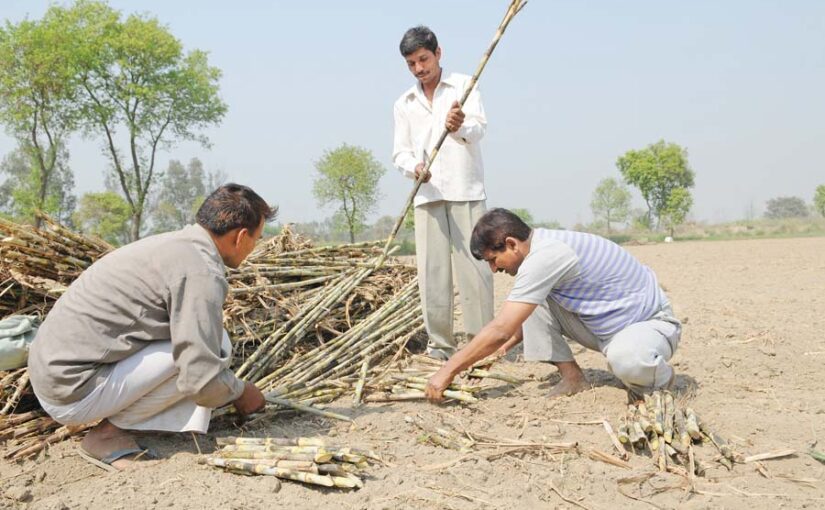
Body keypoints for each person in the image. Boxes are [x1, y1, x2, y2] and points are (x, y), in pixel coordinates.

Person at [28, 184, 277, 470]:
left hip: (49, 373)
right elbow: (200, 378)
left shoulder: (176, 245)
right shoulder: (201, 272)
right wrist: (240, 392)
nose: (254, 247)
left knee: (210, 343)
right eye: (256, 239)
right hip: (69, 389)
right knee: (212, 350)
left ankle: (126, 423)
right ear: (241, 236)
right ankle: (107, 436)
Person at [425, 208, 681, 402]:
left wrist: (448, 371)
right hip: (604, 328)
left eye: (494, 259)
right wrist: (493, 355)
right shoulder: (539, 248)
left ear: (512, 244)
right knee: (528, 301)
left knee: (627, 360)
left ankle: (660, 381)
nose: (493, 269)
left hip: (647, 325)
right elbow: (521, 321)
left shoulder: (547, 255)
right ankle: (573, 379)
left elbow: (501, 328)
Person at [392, 25, 494, 360]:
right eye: (411, 63)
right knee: (432, 274)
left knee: (475, 269)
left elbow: (478, 129)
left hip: (466, 189)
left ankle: (482, 344)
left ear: (438, 53)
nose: (419, 68)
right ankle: (440, 346)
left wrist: (459, 126)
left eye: (423, 59)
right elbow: (400, 153)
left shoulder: (464, 86)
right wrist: (415, 168)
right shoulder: (404, 103)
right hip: (428, 194)